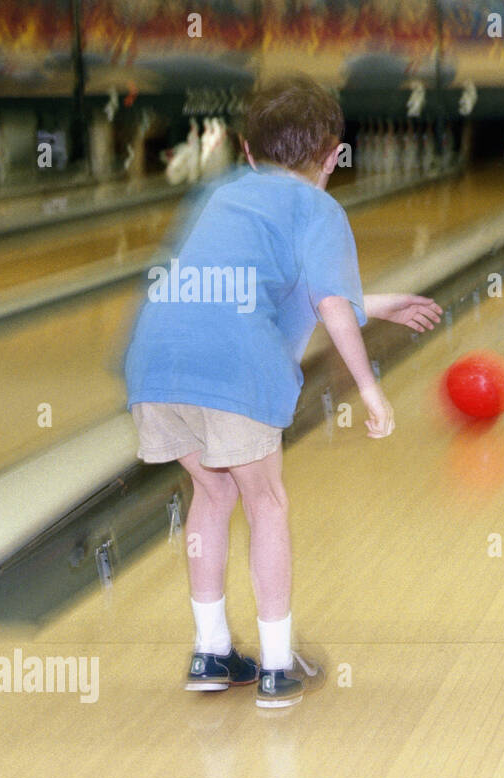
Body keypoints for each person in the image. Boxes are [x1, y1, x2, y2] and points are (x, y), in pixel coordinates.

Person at [124, 76, 441, 708]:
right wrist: (371, 390)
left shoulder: (224, 195)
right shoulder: (319, 207)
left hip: (157, 365)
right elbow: (327, 305)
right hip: (234, 370)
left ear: (245, 150)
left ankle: (210, 652)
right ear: (332, 157)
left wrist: (376, 305)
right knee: (266, 503)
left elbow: (261, 289)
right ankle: (275, 667)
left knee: (212, 496)